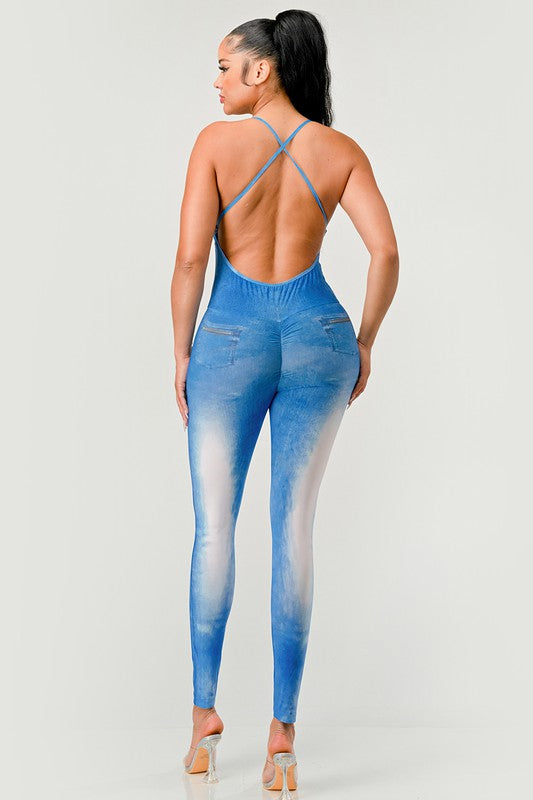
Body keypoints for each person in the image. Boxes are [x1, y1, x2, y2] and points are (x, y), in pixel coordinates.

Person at [170, 9, 399, 794]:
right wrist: (363, 341)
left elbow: (191, 259)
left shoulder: (214, 144)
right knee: (293, 528)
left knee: (214, 529)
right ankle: (282, 742)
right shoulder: (339, 151)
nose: (216, 81)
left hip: (229, 340)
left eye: (224, 67)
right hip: (318, 339)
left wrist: (180, 353)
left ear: (260, 70)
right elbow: (385, 252)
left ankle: (204, 721)